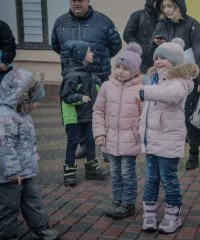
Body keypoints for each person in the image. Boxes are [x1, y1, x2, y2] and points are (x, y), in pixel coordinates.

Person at [139, 38, 199, 233]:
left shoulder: (180, 82)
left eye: (164, 58)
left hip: (168, 139)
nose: (159, 61)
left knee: (168, 178)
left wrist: (143, 92)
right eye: (157, 57)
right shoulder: (155, 79)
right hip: (151, 139)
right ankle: (149, 213)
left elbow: (170, 95)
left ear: (175, 62)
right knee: (150, 178)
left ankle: (173, 214)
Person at [51, 0, 122, 159]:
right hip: (73, 79)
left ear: (88, 1)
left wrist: (98, 59)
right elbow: (56, 46)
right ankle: (84, 146)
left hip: (98, 77)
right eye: (73, 0)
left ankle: (106, 148)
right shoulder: (60, 23)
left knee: (104, 113)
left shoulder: (104, 21)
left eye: (81, 0)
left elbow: (115, 45)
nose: (77, 3)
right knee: (78, 114)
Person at [0, 69, 60, 240]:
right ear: (21, 97)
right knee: (9, 207)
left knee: (32, 200)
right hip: (10, 176)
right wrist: (12, 172)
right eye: (33, 100)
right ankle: (8, 235)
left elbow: (26, 140)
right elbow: (4, 147)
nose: (37, 104)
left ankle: (40, 227)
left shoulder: (23, 114)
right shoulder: (6, 117)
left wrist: (34, 155)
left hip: (24, 172)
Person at [151, 0, 200, 170]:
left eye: (170, 6)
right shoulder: (161, 24)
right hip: (166, 78)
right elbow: (152, 51)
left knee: (190, 116)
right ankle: (169, 153)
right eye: (164, 7)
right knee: (168, 115)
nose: (166, 10)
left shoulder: (192, 24)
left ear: (178, 7)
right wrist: (157, 44)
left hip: (188, 77)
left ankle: (194, 153)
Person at [92, 43, 143, 219]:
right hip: (110, 138)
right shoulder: (107, 86)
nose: (120, 71)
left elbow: (145, 116)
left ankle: (128, 204)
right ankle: (117, 200)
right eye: (118, 67)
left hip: (130, 139)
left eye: (125, 68)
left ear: (135, 71)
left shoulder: (141, 89)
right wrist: (99, 133)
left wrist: (140, 135)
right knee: (115, 172)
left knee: (127, 172)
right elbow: (98, 111)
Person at [61, 40, 109, 187]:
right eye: (89, 51)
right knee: (73, 142)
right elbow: (66, 96)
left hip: (89, 115)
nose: (92, 53)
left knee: (90, 141)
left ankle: (91, 169)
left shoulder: (89, 72)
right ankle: (69, 172)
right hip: (74, 116)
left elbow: (97, 91)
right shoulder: (72, 75)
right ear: (80, 54)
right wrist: (80, 98)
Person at [123, 0, 159, 84]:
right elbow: (127, 34)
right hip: (141, 67)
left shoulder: (163, 19)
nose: (159, 4)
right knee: (141, 94)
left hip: (158, 66)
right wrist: (141, 50)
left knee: (155, 95)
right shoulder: (138, 15)